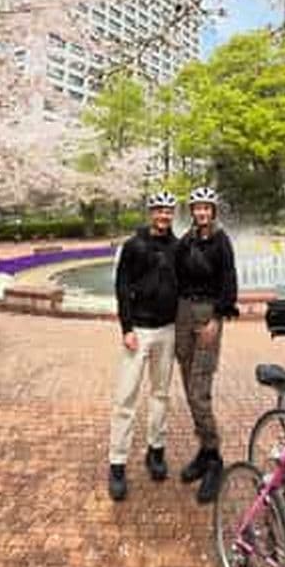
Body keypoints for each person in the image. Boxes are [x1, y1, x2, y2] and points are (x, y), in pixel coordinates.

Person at [107, 190, 179, 501]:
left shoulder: (177, 246)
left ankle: (156, 450)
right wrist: (126, 328)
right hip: (139, 330)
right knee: (126, 397)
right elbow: (122, 287)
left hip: (167, 330)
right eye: (159, 210)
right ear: (151, 213)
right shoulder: (133, 245)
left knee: (160, 394)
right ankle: (117, 463)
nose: (164, 215)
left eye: (168, 211)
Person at [175, 185, 239, 504]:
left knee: (200, 390)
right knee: (189, 387)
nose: (201, 212)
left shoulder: (221, 241)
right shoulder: (186, 240)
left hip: (206, 315)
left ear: (213, 211)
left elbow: (229, 280)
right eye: (197, 207)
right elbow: (172, 275)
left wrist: (217, 317)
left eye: (206, 208)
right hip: (183, 315)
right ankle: (203, 450)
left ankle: (214, 458)